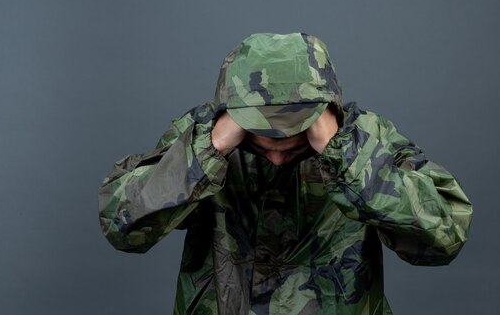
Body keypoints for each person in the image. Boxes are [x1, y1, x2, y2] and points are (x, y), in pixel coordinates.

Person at [98, 32, 472, 315]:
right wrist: (209, 150)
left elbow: (446, 237)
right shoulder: (201, 136)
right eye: (261, 144)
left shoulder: (365, 138)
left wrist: (342, 154)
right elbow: (121, 225)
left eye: (292, 144)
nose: (276, 157)